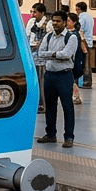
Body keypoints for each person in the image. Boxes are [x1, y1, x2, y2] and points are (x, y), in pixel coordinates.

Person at [35, 11, 79, 148]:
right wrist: (54, 55)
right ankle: (51, 134)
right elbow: (40, 53)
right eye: (53, 21)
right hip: (50, 75)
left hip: (64, 75)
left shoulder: (71, 38)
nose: (55, 23)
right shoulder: (48, 37)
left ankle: (69, 137)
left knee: (67, 107)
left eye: (58, 21)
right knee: (50, 106)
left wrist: (50, 55)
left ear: (65, 22)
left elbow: (66, 55)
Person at [67, 12, 87, 105]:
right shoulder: (73, 33)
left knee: (72, 80)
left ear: (74, 22)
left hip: (74, 60)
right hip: (74, 60)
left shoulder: (75, 34)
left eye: (69, 20)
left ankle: (75, 96)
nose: (67, 22)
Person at [76, 2, 95, 88]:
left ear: (79, 9)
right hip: (89, 41)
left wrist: (82, 42)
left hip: (84, 42)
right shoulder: (90, 16)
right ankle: (88, 80)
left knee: (83, 63)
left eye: (77, 9)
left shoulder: (81, 17)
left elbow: (80, 30)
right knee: (87, 63)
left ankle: (85, 81)